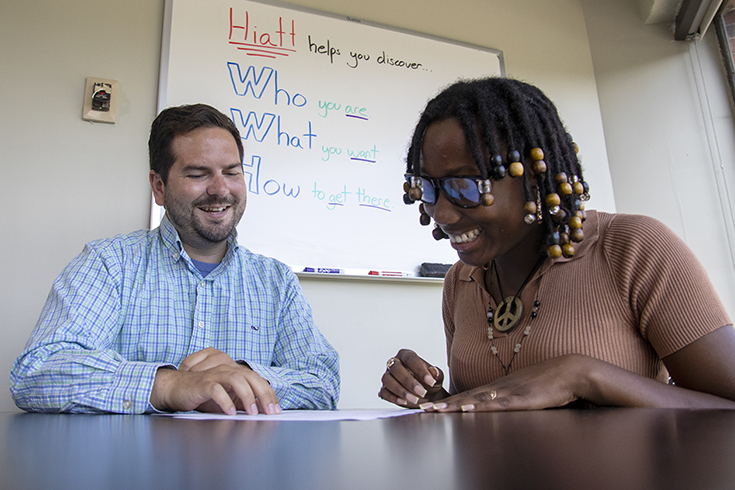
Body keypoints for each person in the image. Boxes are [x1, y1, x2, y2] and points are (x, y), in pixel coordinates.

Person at [379, 78, 735, 411]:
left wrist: (582, 375)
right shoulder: (461, 282)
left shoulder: (633, 248)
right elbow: (499, 409)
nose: (442, 212)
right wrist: (439, 398)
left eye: (465, 186)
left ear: (534, 177)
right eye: (427, 187)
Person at [11, 104, 340, 415]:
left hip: (245, 469)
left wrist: (241, 379)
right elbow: (37, 371)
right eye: (198, 174)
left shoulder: (276, 281)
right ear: (159, 186)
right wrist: (168, 385)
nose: (220, 188)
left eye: (232, 172)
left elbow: (323, 384)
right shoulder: (108, 264)